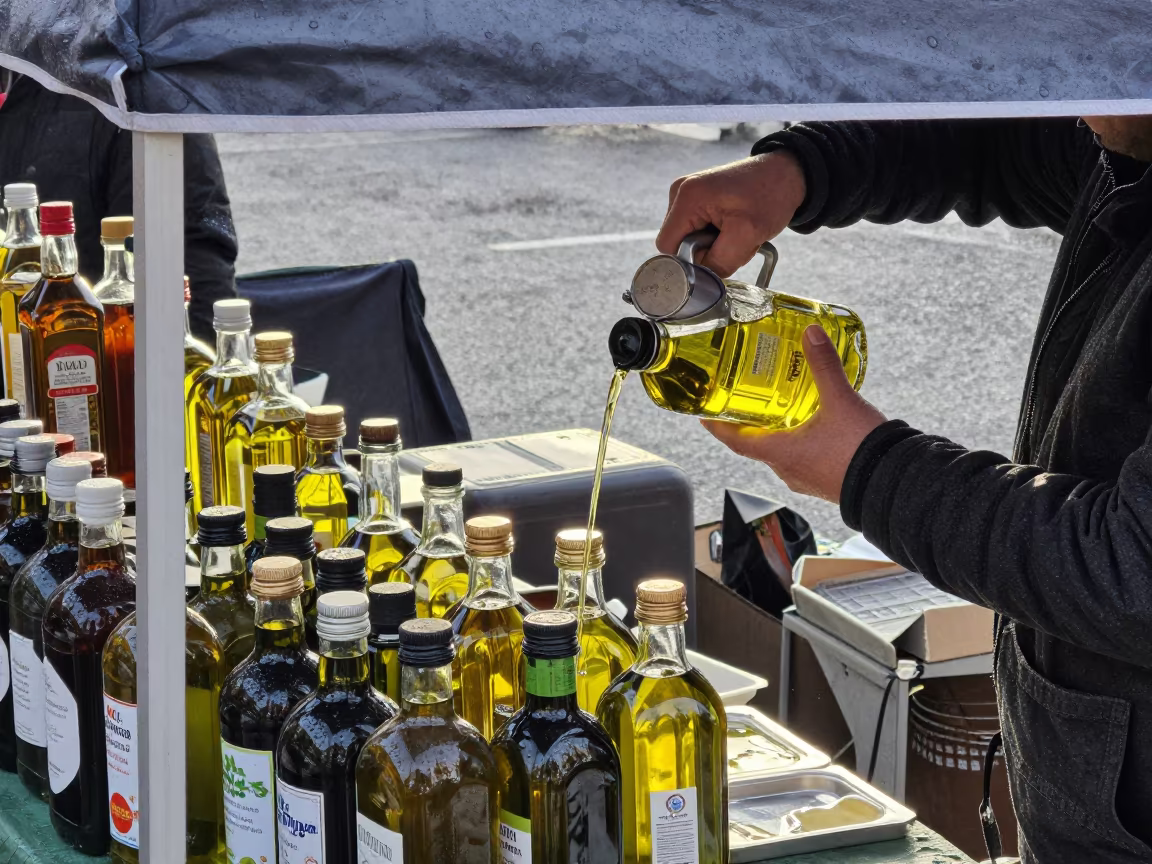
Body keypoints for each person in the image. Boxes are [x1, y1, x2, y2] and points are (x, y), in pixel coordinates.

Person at [659, 117, 1152, 864]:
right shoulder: (1125, 139)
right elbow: (987, 148)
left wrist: (868, 467)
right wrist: (798, 169)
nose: (1072, 93)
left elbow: (1132, 572)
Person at [0, 72, 238, 339]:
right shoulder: (16, 69)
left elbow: (190, 266)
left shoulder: (137, 84)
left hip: (91, 359)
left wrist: (180, 373)